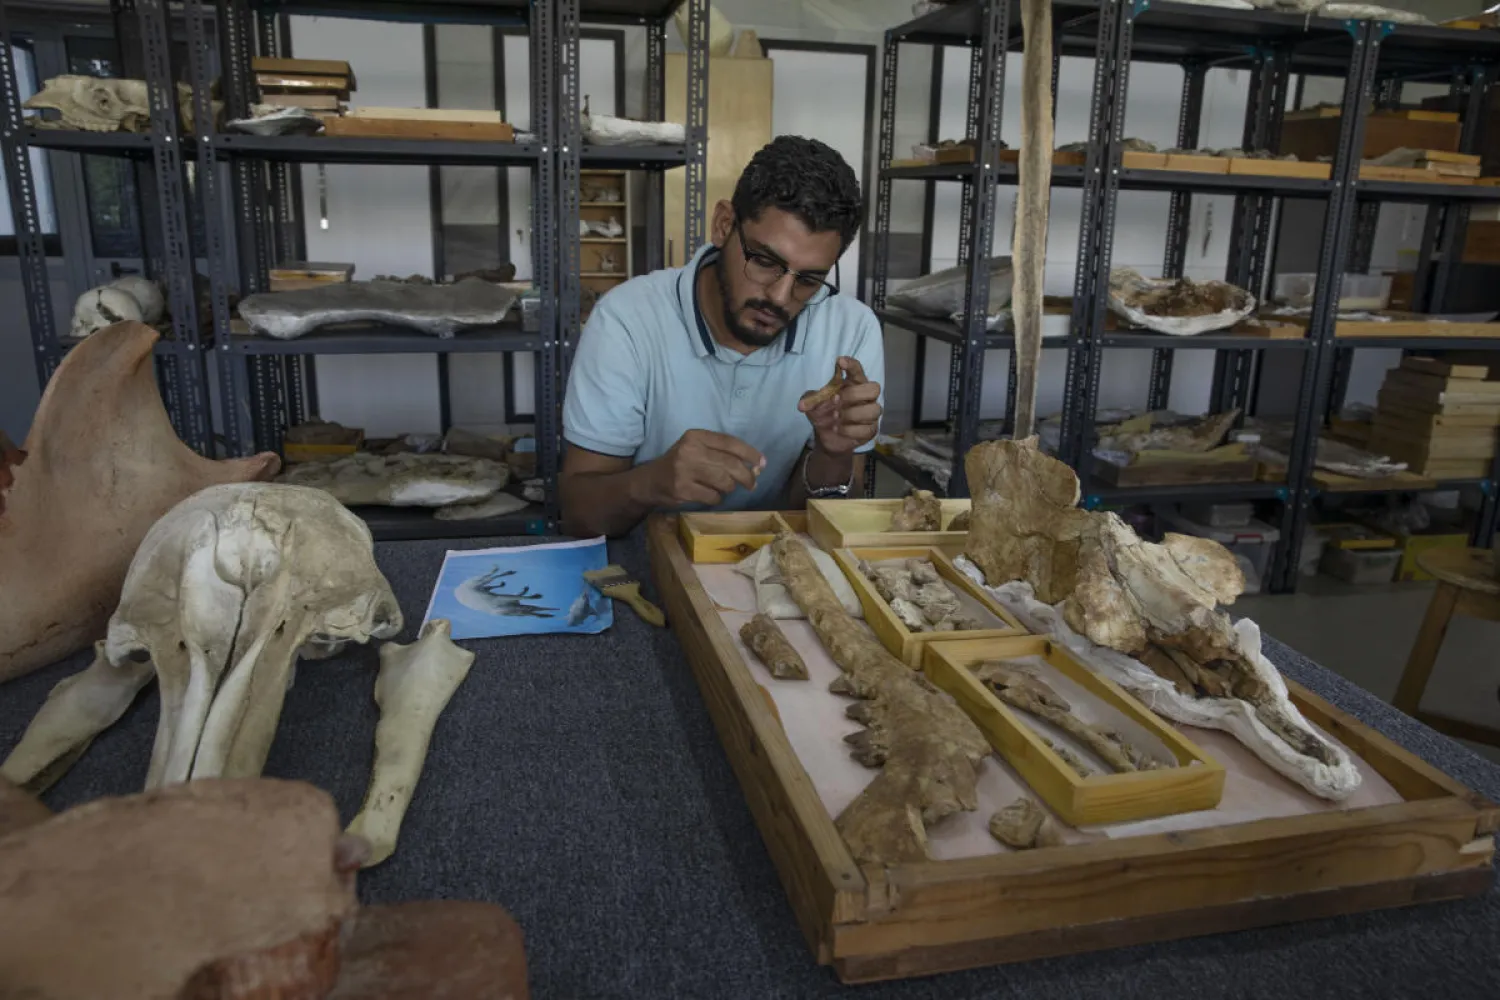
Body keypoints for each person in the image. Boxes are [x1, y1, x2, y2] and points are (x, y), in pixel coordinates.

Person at [559, 135, 885, 538]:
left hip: (777, 565)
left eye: (810, 279)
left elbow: (826, 520)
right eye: (765, 262)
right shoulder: (627, 319)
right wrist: (650, 483)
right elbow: (578, 513)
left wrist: (832, 455)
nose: (780, 298)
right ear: (724, 225)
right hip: (647, 563)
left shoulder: (852, 329)